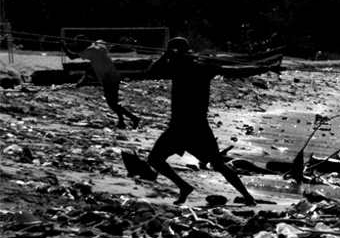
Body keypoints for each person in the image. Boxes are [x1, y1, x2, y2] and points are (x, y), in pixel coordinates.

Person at [141, 37, 280, 205]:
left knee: (217, 164)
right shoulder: (184, 67)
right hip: (183, 126)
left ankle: (247, 196)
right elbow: (149, 73)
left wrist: (264, 68)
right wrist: (265, 68)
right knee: (156, 159)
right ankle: (185, 187)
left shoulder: (193, 67)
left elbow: (235, 71)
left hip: (190, 126)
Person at [75, 40, 142, 128]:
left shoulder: (89, 51)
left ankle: (133, 118)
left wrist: (63, 46)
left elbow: (72, 56)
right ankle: (122, 121)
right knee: (113, 102)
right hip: (113, 75)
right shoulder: (99, 44)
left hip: (108, 78)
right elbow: (109, 47)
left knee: (112, 103)